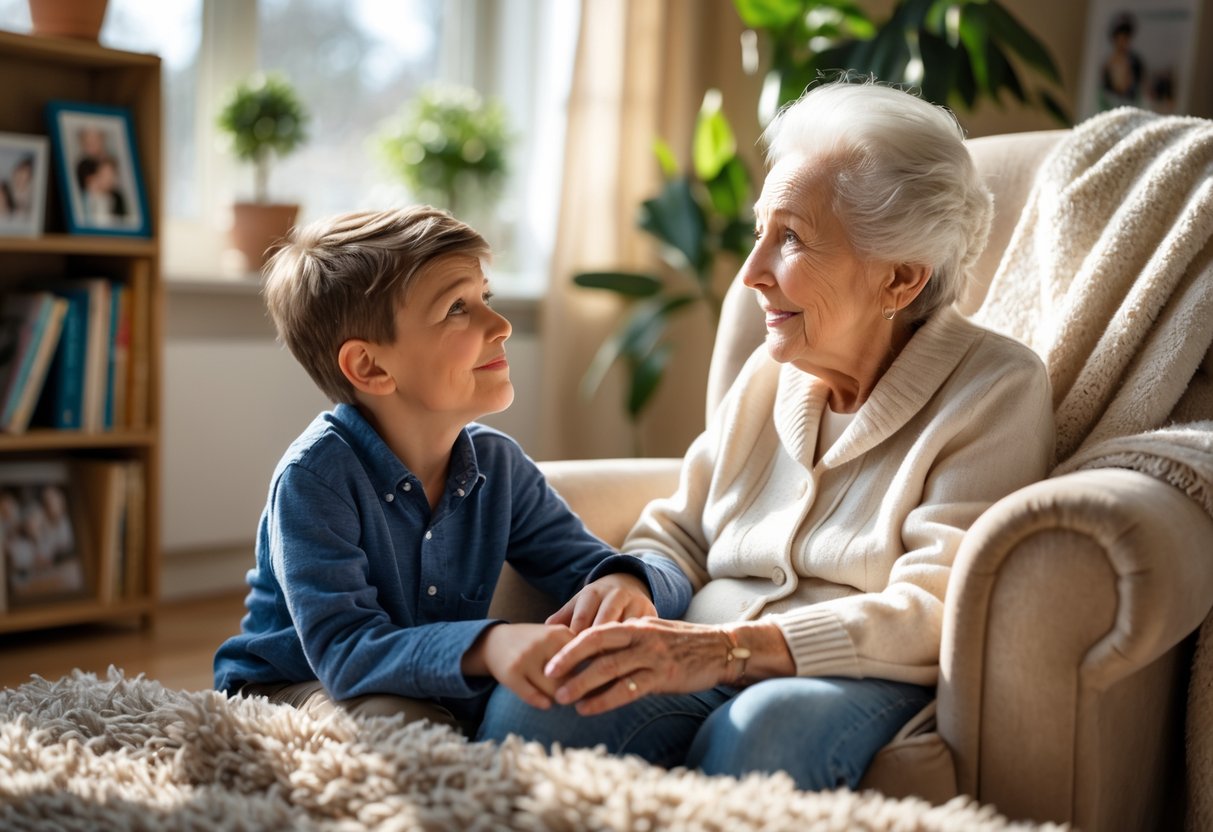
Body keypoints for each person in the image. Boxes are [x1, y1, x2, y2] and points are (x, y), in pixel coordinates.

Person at [476, 81, 1056, 790]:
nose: (750, 274)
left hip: (845, 673)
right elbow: (680, 529)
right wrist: (633, 583)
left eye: (790, 239)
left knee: (762, 731)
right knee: (541, 701)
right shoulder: (770, 370)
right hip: (701, 640)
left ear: (899, 280)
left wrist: (729, 650)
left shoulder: (994, 388)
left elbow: (937, 609)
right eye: (761, 232)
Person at [213, 206, 690, 732]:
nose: (501, 325)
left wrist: (628, 581)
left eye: (486, 297)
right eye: (457, 308)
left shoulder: (499, 466)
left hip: (429, 686)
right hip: (291, 686)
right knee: (405, 727)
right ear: (371, 367)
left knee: (488, 716)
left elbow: (593, 566)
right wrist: (489, 644)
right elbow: (346, 651)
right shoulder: (314, 479)